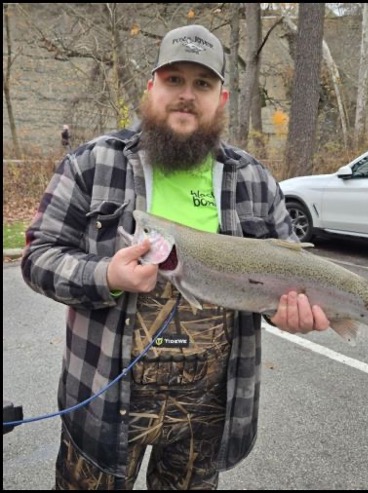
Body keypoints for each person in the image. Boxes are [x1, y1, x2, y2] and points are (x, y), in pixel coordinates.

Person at [21, 24, 330, 490]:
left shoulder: (255, 181)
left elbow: (284, 276)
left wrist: (288, 313)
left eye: (202, 84)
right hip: (105, 405)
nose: (187, 95)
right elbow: (37, 257)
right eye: (174, 80)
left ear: (222, 98)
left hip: (207, 415)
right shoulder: (91, 164)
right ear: (151, 88)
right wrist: (104, 274)